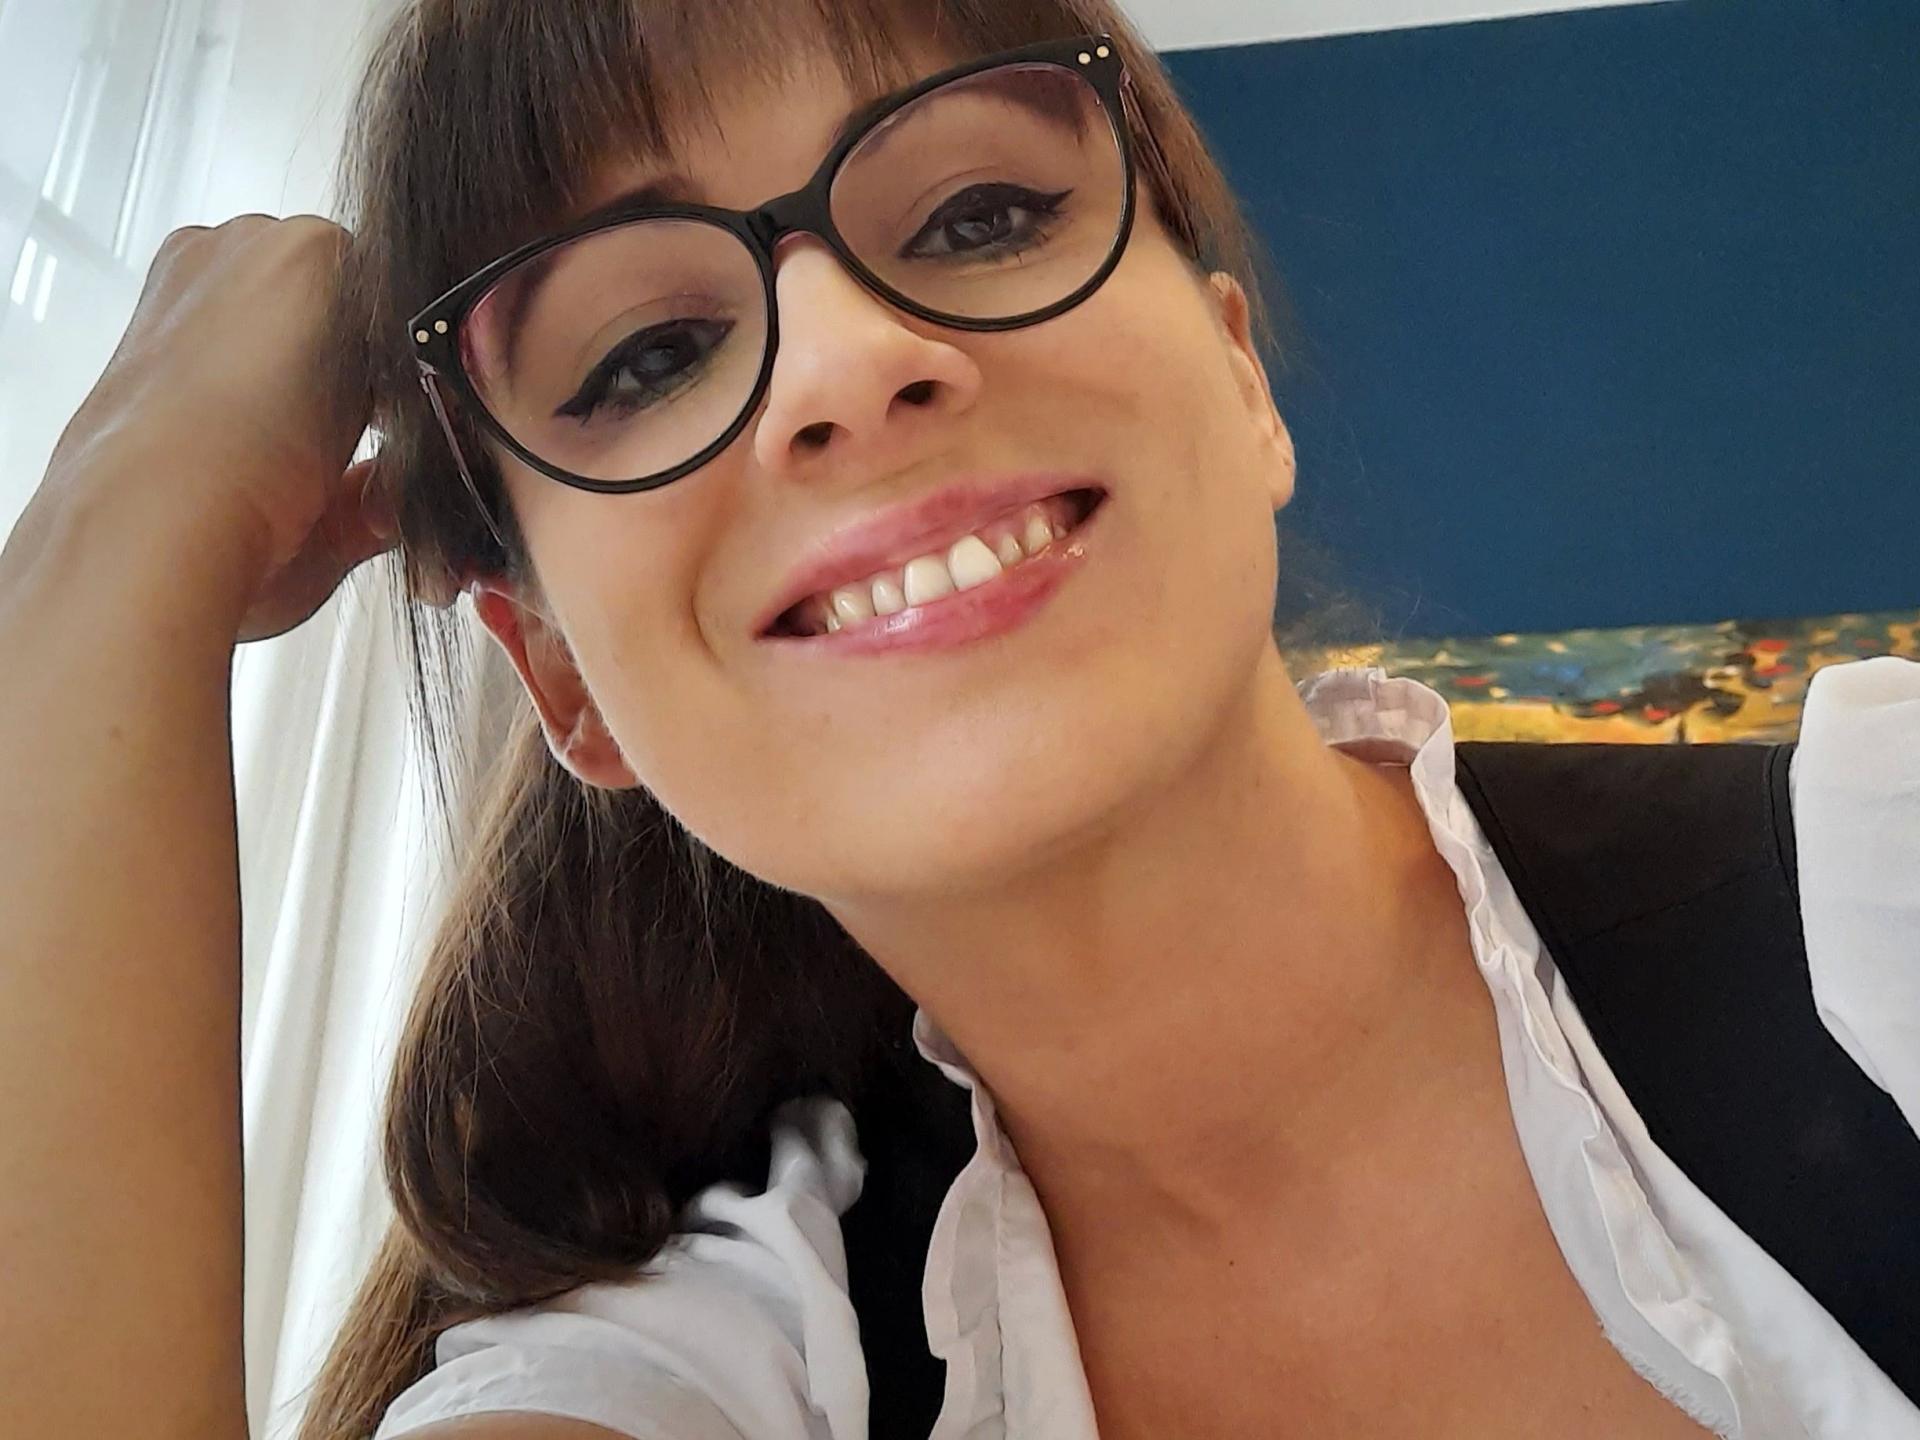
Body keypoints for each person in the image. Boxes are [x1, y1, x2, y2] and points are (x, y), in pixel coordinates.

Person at [1, 1, 1914, 1438]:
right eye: (649, 354)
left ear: (1242, 385)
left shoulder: (1875, 867)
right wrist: (113, 544)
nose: (849, 362)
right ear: (563, 683)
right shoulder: (729, 1366)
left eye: (981, 211)